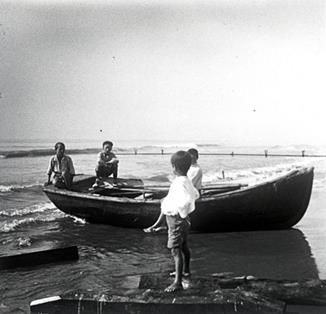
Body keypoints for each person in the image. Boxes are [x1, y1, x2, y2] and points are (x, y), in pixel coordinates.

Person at [144, 151, 199, 292]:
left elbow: (185, 200)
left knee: (175, 250)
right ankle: (185, 271)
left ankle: (177, 282)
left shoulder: (178, 183)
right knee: (184, 246)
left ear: (174, 167)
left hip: (176, 220)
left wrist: (180, 212)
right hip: (184, 220)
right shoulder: (186, 180)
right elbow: (195, 194)